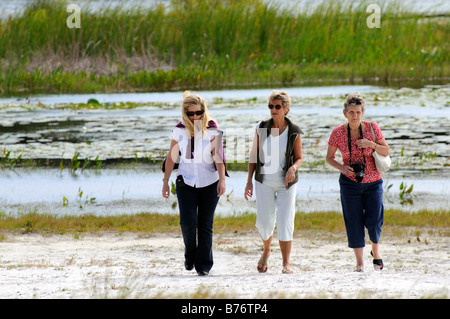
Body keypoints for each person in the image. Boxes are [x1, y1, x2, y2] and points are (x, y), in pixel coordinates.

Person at [162, 91, 227, 276]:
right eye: (190, 114)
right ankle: (190, 254)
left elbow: (219, 157)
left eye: (198, 113)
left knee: (205, 224)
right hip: (186, 182)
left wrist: (222, 180)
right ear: (185, 113)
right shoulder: (178, 131)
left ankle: (204, 265)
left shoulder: (213, 130)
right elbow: (171, 158)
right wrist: (165, 182)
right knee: (188, 223)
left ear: (203, 111)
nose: (195, 117)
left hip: (210, 182)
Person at [326, 93, 390, 272]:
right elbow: (329, 158)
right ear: (344, 113)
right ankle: (360, 262)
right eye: (351, 112)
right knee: (353, 220)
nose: (355, 115)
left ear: (363, 113)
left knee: (375, 219)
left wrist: (372, 144)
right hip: (349, 183)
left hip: (373, 182)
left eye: (358, 112)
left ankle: (376, 252)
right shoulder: (338, 133)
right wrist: (342, 168)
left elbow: (386, 150)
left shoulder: (371, 128)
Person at [244, 90, 303, 274]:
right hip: (264, 182)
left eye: (278, 106)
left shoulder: (294, 131)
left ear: (286, 109)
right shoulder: (260, 128)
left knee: (285, 220)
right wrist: (248, 182)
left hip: (287, 184)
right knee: (265, 221)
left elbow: (299, 158)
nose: (273, 110)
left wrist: (293, 168)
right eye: (271, 106)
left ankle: (286, 263)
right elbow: (253, 155)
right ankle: (267, 250)